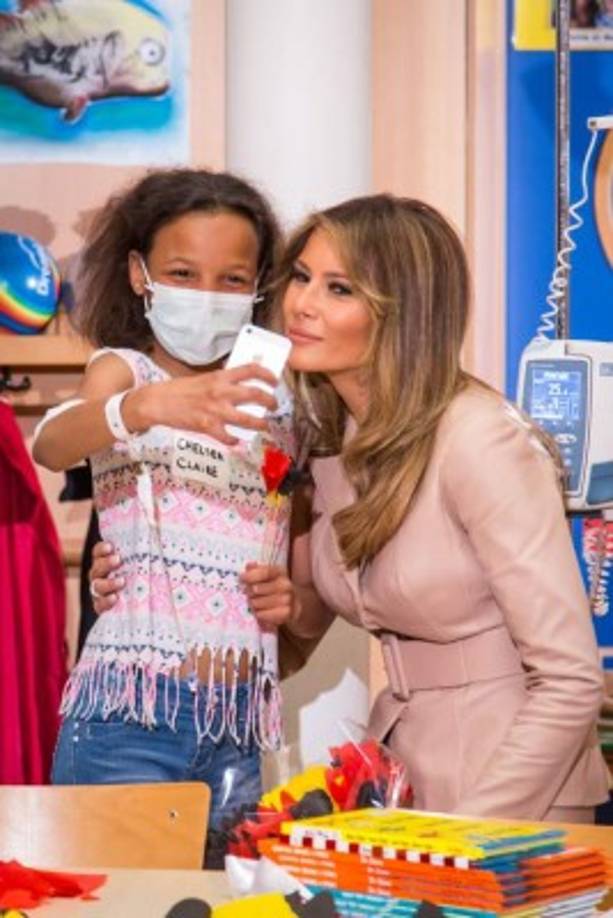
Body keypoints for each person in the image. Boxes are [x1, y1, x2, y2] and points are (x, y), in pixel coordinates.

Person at [91, 193, 611, 824]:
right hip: (402, 778)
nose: (301, 304)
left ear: (404, 311)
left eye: (338, 289)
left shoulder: (481, 439)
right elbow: (290, 634)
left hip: (517, 792)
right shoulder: (331, 448)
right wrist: (150, 585)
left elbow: (571, 681)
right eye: (301, 277)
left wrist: (470, 831)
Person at [32, 167, 297, 864]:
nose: (207, 294)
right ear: (139, 274)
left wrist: (288, 594)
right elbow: (51, 442)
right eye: (183, 272)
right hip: (129, 717)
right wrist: (146, 408)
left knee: (226, 907)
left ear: (259, 286)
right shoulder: (125, 372)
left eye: (232, 279)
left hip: (237, 726)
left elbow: (290, 533)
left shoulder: (274, 401)